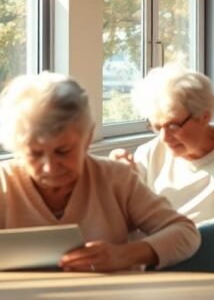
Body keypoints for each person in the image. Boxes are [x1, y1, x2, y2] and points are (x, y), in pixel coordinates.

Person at [0, 72, 199, 272]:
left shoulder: (116, 179)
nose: (50, 167)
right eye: (34, 154)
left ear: (87, 138)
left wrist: (124, 254)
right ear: (17, 148)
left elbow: (185, 233)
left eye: (63, 151)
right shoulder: (4, 183)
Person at [111, 66, 214, 225]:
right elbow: (126, 218)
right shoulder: (148, 154)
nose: (165, 138)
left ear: (204, 117)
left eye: (173, 126)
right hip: (159, 251)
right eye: (157, 127)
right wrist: (115, 182)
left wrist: (177, 238)